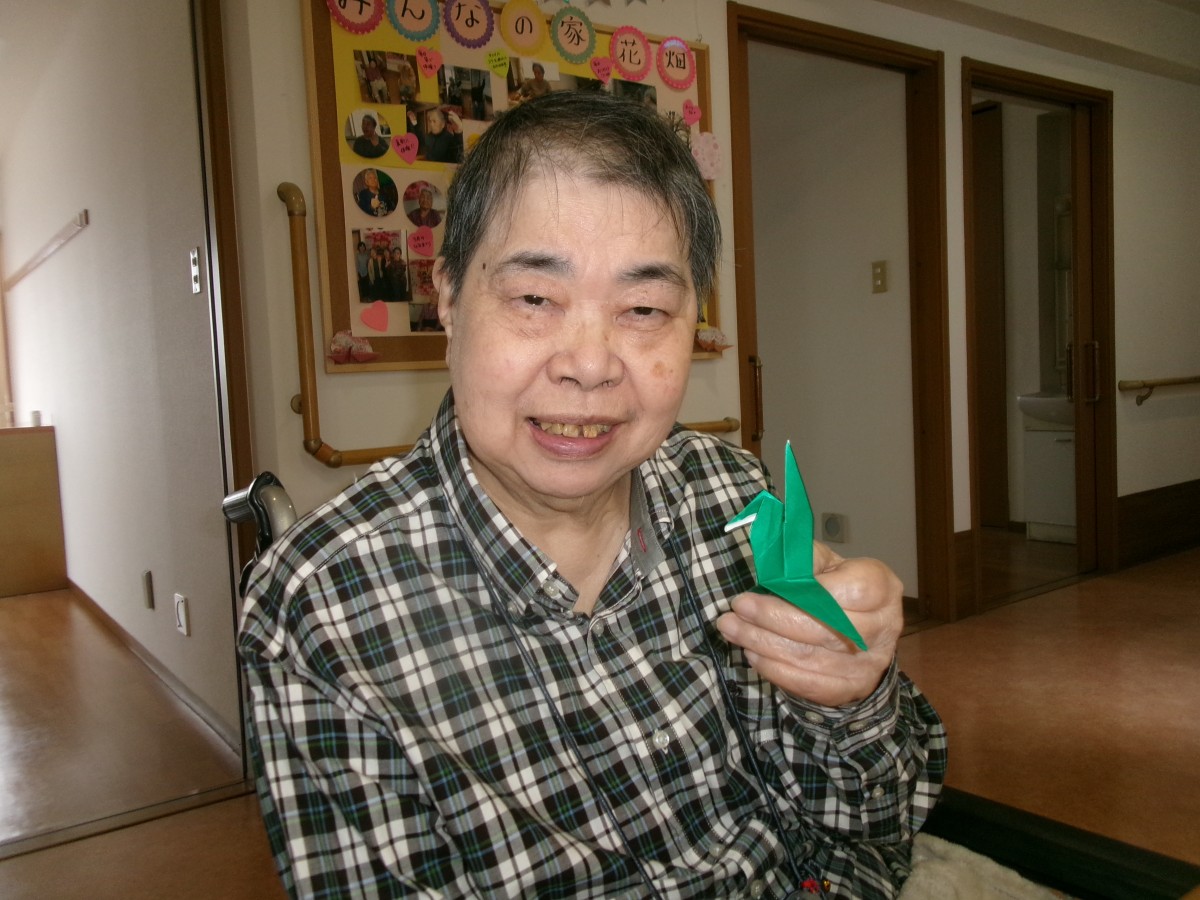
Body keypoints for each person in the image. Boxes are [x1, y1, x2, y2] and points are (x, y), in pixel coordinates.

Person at [240, 90, 946, 899]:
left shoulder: (731, 496)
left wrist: (852, 698)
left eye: (643, 308)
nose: (589, 364)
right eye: (535, 299)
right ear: (449, 299)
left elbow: (876, 822)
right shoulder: (322, 604)